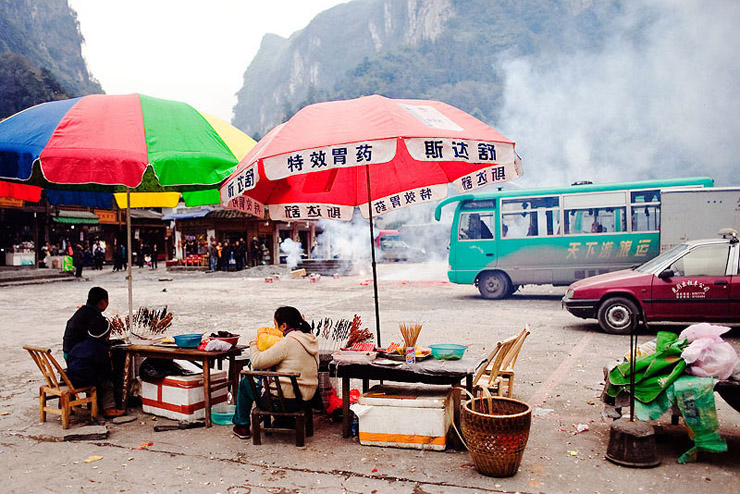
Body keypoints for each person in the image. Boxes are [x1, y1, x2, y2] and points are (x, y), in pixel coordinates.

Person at [232, 306, 319, 439]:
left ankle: (241, 426)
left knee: (245, 383)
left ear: (284, 326)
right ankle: (284, 421)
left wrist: (254, 343)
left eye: (276, 325)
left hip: (285, 402)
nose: (276, 329)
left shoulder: (287, 342)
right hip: (306, 398)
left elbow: (257, 361)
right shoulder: (310, 339)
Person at [65, 309, 125, 418]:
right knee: (107, 383)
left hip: (70, 379)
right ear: (105, 335)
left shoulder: (79, 345)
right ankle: (109, 408)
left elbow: (69, 360)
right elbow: (106, 370)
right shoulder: (99, 350)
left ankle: (93, 404)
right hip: (85, 380)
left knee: (94, 373)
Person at [63, 287, 110, 361]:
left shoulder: (81, 312)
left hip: (69, 354)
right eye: (106, 301)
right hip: (77, 357)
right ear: (101, 302)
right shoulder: (93, 317)